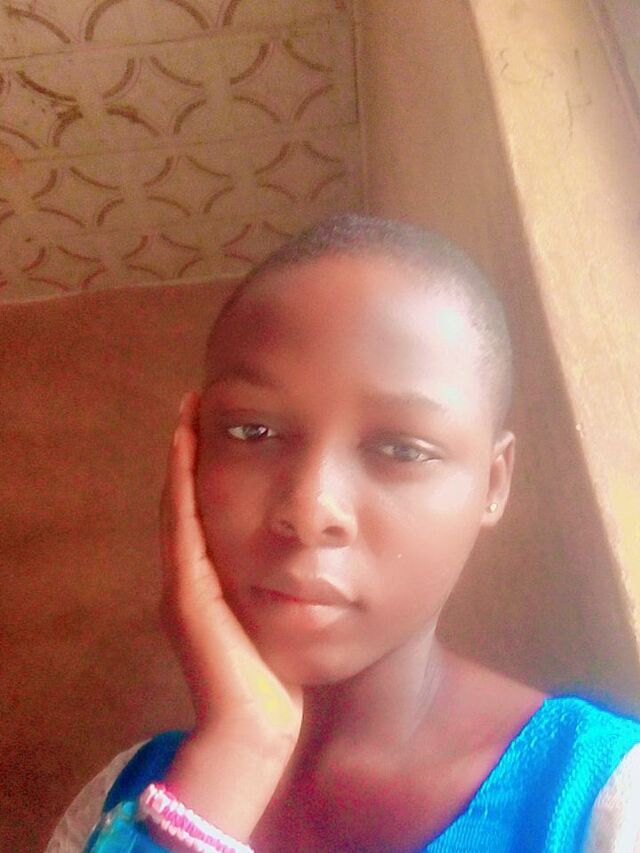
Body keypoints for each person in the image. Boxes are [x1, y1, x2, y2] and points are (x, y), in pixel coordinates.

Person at [47, 215, 640, 853]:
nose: (310, 509)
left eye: (402, 449)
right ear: (189, 453)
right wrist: (237, 753)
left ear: (493, 483)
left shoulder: (603, 801)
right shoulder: (124, 798)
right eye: (252, 432)